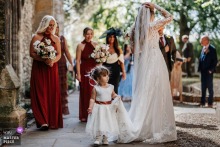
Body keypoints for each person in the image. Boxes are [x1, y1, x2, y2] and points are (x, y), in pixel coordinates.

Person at [117, 2, 177, 143]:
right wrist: (156, 6)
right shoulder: (152, 26)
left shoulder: (135, 30)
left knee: (146, 93)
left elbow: (135, 50)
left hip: (145, 63)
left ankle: (146, 124)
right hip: (155, 62)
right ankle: (155, 126)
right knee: (157, 92)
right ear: (151, 15)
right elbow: (170, 17)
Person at [30, 15, 63, 130]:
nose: (51, 27)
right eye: (49, 25)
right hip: (39, 68)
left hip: (51, 68)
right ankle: (43, 121)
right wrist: (44, 59)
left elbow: (59, 54)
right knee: (40, 92)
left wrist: (52, 61)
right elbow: (32, 53)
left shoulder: (56, 39)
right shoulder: (36, 37)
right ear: (44, 24)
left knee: (51, 92)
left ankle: (51, 119)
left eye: (53, 25)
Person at [86, 66, 119, 145]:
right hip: (99, 108)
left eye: (107, 75)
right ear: (98, 78)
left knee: (106, 122)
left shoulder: (111, 87)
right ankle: (98, 137)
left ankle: (105, 138)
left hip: (108, 108)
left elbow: (113, 95)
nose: (107, 77)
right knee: (99, 122)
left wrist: (117, 97)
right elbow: (92, 99)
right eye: (104, 76)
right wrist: (90, 107)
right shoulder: (96, 88)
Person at [76, 27, 97, 122]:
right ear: (84, 34)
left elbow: (99, 59)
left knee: (93, 92)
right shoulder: (80, 45)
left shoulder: (95, 45)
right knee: (85, 93)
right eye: (87, 34)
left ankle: (94, 114)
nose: (89, 36)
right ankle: (85, 115)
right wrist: (78, 74)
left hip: (94, 72)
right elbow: (77, 61)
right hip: (84, 72)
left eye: (91, 34)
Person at [100, 28, 126, 94]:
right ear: (107, 38)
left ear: (115, 38)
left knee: (115, 88)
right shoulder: (103, 48)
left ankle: (114, 103)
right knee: (106, 89)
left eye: (113, 37)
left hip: (116, 71)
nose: (111, 38)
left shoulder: (118, 49)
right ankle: (107, 103)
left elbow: (121, 62)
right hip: (106, 71)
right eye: (110, 37)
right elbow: (101, 61)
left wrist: (123, 72)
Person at [55, 22, 73, 115]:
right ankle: (54, 108)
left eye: (57, 27)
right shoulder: (48, 39)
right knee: (54, 85)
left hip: (61, 63)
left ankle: (62, 109)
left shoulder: (62, 38)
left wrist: (71, 63)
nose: (56, 29)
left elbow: (67, 51)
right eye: (54, 27)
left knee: (62, 86)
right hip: (52, 63)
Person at [198, 35, 218, 108]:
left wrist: (211, 70)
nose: (200, 41)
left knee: (210, 88)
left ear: (206, 40)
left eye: (202, 40)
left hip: (209, 72)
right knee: (203, 88)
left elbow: (215, 61)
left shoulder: (212, 49)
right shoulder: (203, 48)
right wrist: (199, 69)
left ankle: (210, 103)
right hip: (203, 72)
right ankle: (202, 102)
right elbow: (201, 59)